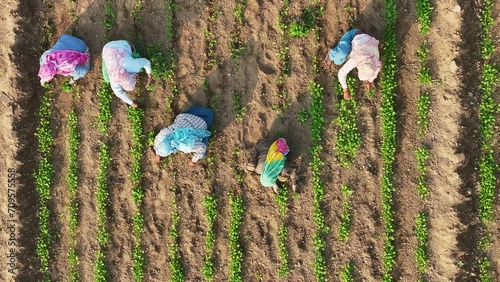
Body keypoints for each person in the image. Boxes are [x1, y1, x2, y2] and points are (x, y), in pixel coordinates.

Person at [324, 29, 381, 100]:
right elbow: (341, 73)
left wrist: (370, 81)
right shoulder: (358, 59)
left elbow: (377, 70)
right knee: (340, 56)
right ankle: (331, 54)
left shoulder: (375, 60)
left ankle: (347, 51)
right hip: (353, 35)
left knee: (340, 60)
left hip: (363, 42)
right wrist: (345, 90)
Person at [101, 40, 152, 108]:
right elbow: (119, 93)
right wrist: (131, 103)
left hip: (116, 47)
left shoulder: (131, 66)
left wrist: (149, 75)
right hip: (107, 49)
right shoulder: (114, 79)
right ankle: (105, 59)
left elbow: (146, 62)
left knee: (140, 69)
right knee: (107, 79)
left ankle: (133, 55)